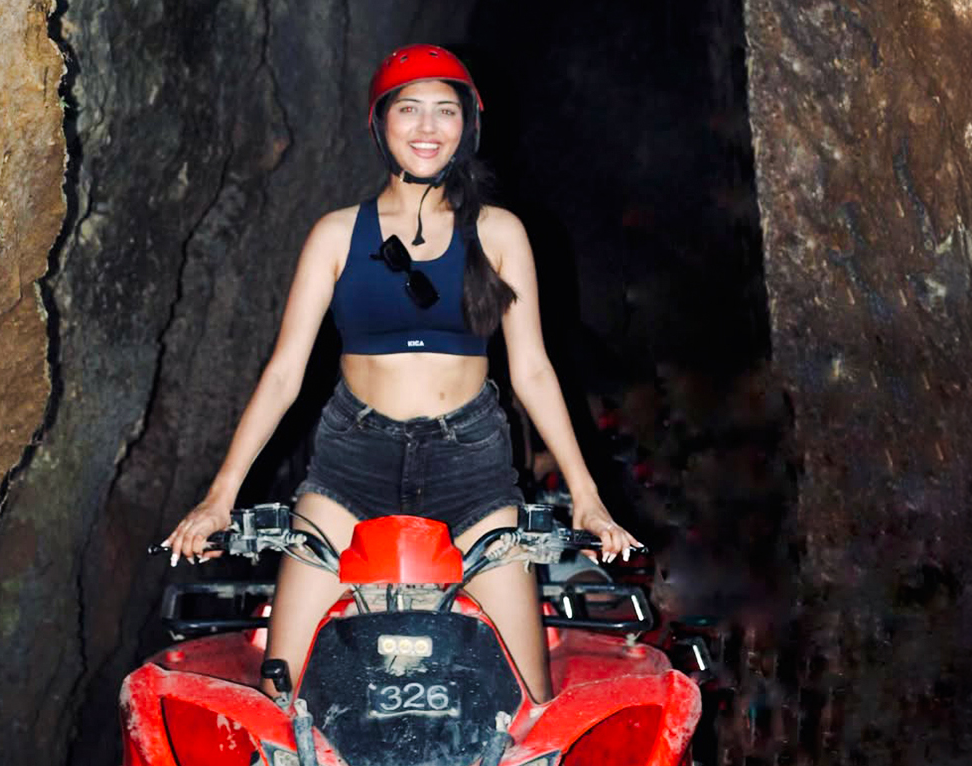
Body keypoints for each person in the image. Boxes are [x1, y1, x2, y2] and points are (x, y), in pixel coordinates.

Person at [163, 44, 640, 702]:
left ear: (467, 127)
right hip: (351, 466)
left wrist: (587, 497)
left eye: (445, 112)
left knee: (529, 701)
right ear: (380, 125)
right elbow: (283, 375)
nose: (426, 128)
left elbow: (532, 371)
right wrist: (220, 497)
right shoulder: (335, 235)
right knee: (283, 694)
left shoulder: (499, 233)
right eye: (409, 110)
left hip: (470, 468)